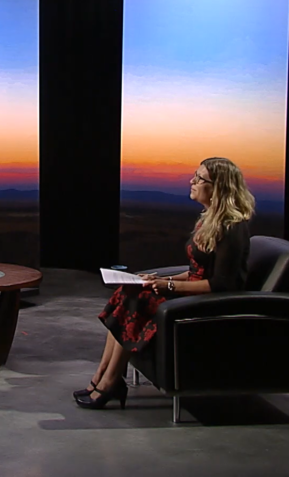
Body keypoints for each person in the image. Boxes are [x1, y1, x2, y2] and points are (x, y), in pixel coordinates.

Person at [75, 157, 254, 409]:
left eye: (200, 179)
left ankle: (110, 382)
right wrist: (160, 279)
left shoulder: (232, 227)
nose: (192, 181)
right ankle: (102, 376)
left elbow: (220, 285)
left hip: (211, 303)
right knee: (129, 291)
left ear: (219, 187)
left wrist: (169, 287)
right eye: (195, 175)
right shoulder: (208, 220)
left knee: (139, 300)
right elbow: (195, 272)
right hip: (194, 293)